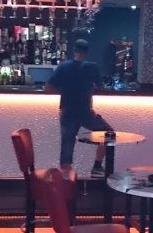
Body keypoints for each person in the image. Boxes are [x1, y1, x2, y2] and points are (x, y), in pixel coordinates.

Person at [46, 39, 111, 178]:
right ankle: (97, 167)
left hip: (67, 112)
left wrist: (65, 91)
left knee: (67, 150)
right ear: (87, 52)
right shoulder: (92, 67)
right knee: (109, 134)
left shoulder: (63, 66)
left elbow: (49, 87)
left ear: (74, 51)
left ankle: (66, 183)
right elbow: (101, 87)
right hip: (85, 111)